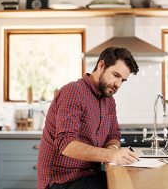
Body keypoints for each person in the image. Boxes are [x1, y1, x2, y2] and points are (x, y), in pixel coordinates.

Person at [37, 47, 140, 189]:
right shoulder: (73, 92)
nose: (118, 84)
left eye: (123, 80)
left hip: (90, 175)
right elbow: (66, 144)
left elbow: (113, 134)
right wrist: (111, 155)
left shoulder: (109, 100)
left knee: (131, 181)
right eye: (116, 75)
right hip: (61, 181)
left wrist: (113, 148)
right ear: (101, 65)